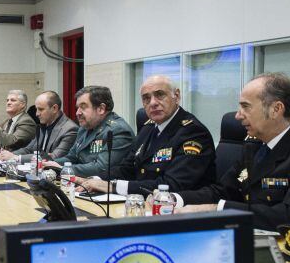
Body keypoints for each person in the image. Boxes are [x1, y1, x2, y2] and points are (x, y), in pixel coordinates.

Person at [176, 73, 290, 230]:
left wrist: (217, 210)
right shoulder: (254, 145)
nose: (238, 116)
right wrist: (175, 199)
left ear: (276, 109)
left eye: (246, 107)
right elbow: (224, 191)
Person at [79, 76, 215, 195]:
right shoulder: (148, 128)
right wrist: (94, 180)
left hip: (181, 214)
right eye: (146, 98)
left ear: (177, 96)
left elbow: (172, 185)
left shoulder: (193, 132)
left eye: (160, 94)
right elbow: (127, 168)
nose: (153, 103)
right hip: (144, 204)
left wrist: (112, 186)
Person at [47, 86, 134, 178]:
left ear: (101, 109)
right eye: (77, 108)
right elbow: (72, 157)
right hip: (83, 183)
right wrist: (50, 164)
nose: (77, 113)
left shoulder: (118, 130)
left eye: (83, 107)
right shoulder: (84, 128)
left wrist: (62, 169)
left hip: (106, 187)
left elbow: (101, 168)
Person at [0, 91, 78, 163]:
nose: (37, 114)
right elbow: (29, 149)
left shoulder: (70, 129)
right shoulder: (42, 126)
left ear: (54, 108)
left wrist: (17, 158)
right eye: (36, 109)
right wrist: (8, 155)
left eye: (41, 109)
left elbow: (53, 157)